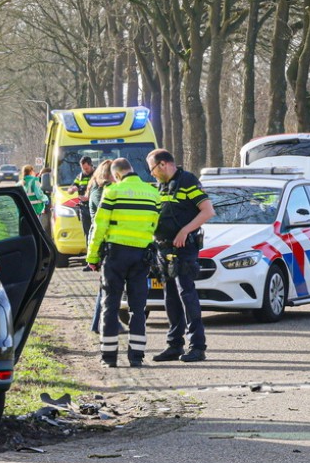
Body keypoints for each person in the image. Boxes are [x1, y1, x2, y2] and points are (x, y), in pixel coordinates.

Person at [85, 158, 159, 367]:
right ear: (132, 170)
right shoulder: (153, 193)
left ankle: (109, 358)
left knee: (110, 305)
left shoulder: (113, 192)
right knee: (138, 307)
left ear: (116, 175)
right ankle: (136, 357)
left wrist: (92, 257)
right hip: (141, 256)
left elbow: (99, 226)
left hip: (116, 256)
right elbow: (155, 224)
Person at [146, 148, 215, 362]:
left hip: (184, 248)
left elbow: (207, 211)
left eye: (152, 169)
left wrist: (185, 230)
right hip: (164, 249)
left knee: (187, 294)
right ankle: (174, 345)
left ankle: (197, 346)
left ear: (163, 164)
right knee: (171, 298)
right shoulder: (163, 185)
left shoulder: (187, 181)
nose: (152, 174)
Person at [69, 156, 96, 238]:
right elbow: (72, 187)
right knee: (87, 234)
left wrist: (89, 197)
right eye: (83, 168)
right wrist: (72, 189)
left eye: (86, 168)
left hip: (96, 207)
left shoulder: (98, 174)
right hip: (84, 208)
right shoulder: (80, 176)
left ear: (91, 165)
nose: (85, 171)